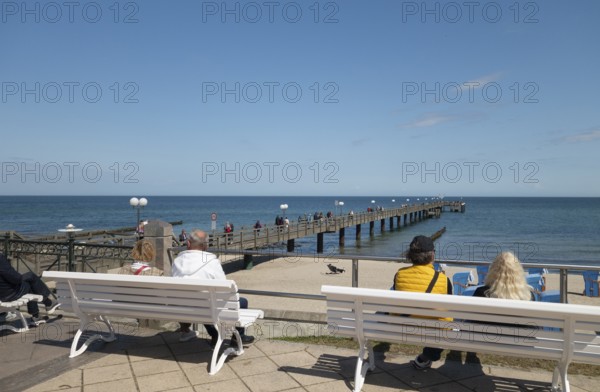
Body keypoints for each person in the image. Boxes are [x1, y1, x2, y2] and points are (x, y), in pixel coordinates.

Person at [171, 230, 255, 346]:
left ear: (188, 244)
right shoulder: (212, 262)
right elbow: (224, 289)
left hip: (183, 308)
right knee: (242, 302)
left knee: (205, 302)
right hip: (206, 308)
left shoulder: (177, 261)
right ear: (205, 246)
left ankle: (214, 333)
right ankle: (238, 337)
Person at [392, 235, 453, 370]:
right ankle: (425, 358)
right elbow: (447, 313)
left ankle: (424, 359)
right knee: (445, 326)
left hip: (401, 327)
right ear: (432, 256)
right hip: (430, 331)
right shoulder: (443, 279)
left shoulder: (399, 274)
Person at [0, 253, 61, 325]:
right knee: (30, 280)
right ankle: (47, 304)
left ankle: (39, 313)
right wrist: (19, 277)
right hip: (8, 294)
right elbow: (15, 278)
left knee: (29, 278)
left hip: (3, 292)